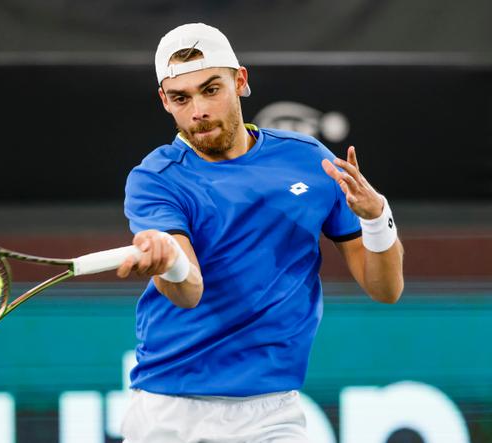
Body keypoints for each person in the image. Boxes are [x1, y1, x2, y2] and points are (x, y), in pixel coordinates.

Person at [115, 22, 404, 443]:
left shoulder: (309, 161)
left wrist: (377, 219)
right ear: (165, 101)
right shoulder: (155, 179)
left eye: (211, 90)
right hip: (170, 410)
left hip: (273, 411)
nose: (198, 111)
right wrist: (169, 262)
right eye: (181, 98)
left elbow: (386, 289)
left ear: (240, 81)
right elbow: (189, 289)